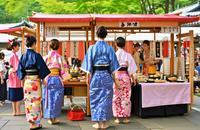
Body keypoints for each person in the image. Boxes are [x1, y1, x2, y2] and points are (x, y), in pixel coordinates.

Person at [81, 26, 120, 129]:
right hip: (107, 76)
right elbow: (113, 67)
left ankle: (97, 123)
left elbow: (88, 65)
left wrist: (87, 77)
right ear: (106, 35)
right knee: (106, 99)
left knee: (96, 98)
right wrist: (116, 81)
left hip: (95, 76)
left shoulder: (92, 48)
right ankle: (105, 123)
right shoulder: (110, 48)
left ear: (96, 34)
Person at [17, 36, 50, 130]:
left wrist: (22, 80)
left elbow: (20, 70)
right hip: (35, 81)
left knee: (28, 102)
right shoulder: (37, 55)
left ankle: (33, 122)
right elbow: (42, 69)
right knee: (36, 102)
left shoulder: (23, 56)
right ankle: (34, 123)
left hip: (27, 82)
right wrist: (43, 79)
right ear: (34, 44)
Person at [43, 39, 70, 125]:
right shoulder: (60, 57)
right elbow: (64, 70)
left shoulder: (46, 57)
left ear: (49, 46)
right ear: (58, 47)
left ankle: (50, 118)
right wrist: (64, 78)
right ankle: (54, 118)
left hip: (48, 79)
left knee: (48, 98)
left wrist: (43, 79)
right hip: (57, 79)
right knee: (56, 99)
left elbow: (42, 70)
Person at [113, 37, 137, 124]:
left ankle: (117, 118)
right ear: (124, 45)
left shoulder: (114, 55)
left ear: (116, 44)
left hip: (116, 76)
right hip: (125, 76)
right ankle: (126, 117)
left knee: (116, 96)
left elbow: (111, 68)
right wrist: (133, 79)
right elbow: (132, 69)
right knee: (126, 96)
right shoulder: (128, 55)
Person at [7, 39, 24, 116]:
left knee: (13, 95)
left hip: (12, 77)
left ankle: (14, 111)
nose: (19, 48)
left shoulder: (12, 55)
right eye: (18, 46)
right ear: (14, 47)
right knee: (18, 94)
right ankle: (18, 111)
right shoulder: (14, 55)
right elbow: (18, 67)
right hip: (15, 76)